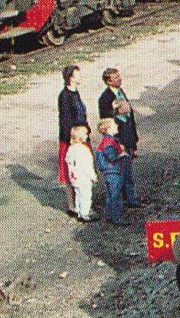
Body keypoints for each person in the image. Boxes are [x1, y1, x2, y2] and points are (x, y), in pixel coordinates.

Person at [98, 67, 139, 211]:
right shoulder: (105, 98)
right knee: (121, 172)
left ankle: (130, 198)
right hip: (119, 139)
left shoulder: (121, 92)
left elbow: (130, 117)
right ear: (108, 81)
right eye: (116, 77)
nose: (119, 79)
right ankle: (121, 202)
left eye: (119, 76)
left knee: (128, 172)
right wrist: (116, 111)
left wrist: (134, 142)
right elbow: (105, 120)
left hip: (128, 137)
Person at [56, 65, 90, 217]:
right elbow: (65, 120)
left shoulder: (75, 93)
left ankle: (82, 203)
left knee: (82, 170)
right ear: (71, 78)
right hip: (72, 140)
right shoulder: (65, 96)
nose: (80, 77)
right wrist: (73, 141)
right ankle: (73, 205)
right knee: (71, 172)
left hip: (81, 136)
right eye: (78, 75)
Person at [93, 118, 128, 225]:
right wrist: (121, 154)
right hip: (113, 171)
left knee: (109, 195)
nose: (117, 126)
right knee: (116, 195)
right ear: (108, 129)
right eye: (114, 125)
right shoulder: (109, 141)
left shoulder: (106, 140)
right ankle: (116, 217)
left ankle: (109, 215)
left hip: (108, 172)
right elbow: (111, 156)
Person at [64, 125, 97, 223]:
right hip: (84, 177)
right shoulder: (84, 150)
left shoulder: (71, 148)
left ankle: (78, 211)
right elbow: (87, 166)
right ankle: (85, 214)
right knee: (86, 196)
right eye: (86, 134)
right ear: (82, 137)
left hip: (74, 177)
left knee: (78, 194)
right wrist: (93, 176)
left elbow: (67, 160)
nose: (87, 136)